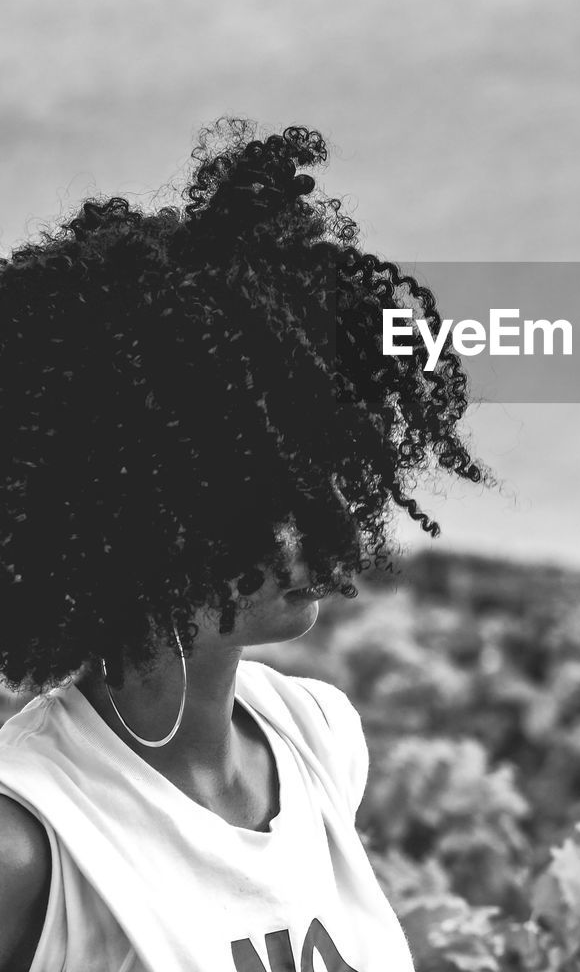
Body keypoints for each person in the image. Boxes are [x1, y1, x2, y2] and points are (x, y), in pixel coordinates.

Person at [0, 120, 491, 972]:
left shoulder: (317, 740)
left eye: (322, 473)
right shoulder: (31, 843)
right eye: (266, 495)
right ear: (139, 515)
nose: (322, 521)